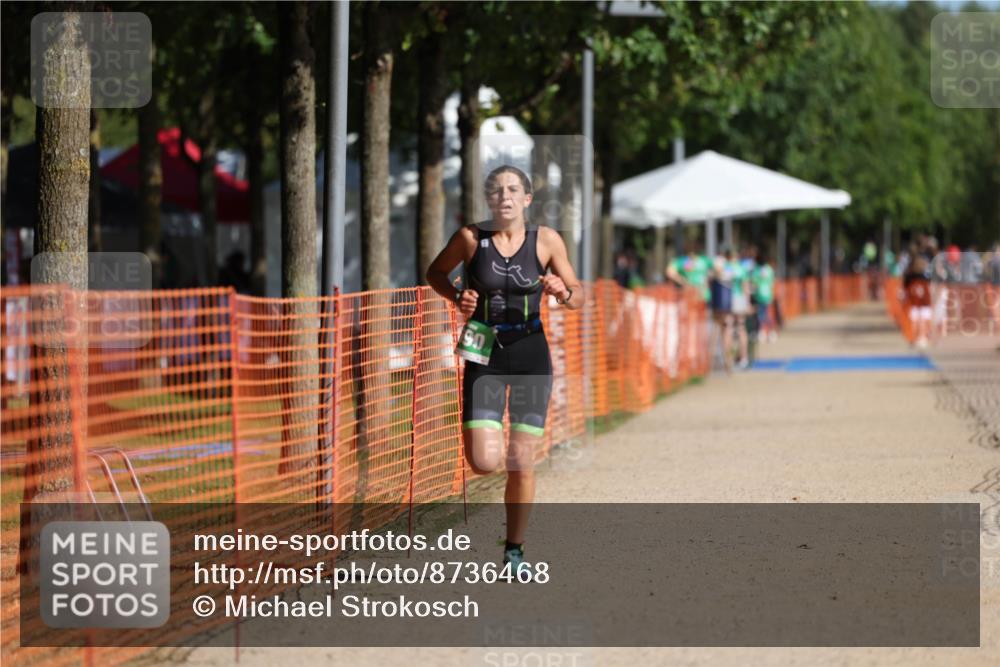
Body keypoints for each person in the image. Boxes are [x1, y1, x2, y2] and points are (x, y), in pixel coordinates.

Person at [425, 165, 582, 571]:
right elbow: (435, 273)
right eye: (497, 191)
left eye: (513, 190)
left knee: (521, 458)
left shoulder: (546, 240)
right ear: (489, 199)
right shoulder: (469, 239)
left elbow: (579, 294)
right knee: (484, 461)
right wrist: (457, 296)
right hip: (483, 344)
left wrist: (563, 292)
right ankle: (506, 525)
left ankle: (514, 551)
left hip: (530, 349)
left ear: (527, 199)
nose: (505, 197)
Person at [903, 255, 932, 348]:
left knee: (922, 320)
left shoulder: (925, 276)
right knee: (917, 320)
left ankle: (921, 337)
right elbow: (906, 288)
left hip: (923, 302)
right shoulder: (911, 276)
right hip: (915, 302)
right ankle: (917, 338)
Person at [752, 253, 777, 343]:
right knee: (766, 314)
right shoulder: (769, 269)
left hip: (760, 295)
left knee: (762, 314)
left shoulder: (757, 270)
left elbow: (754, 282)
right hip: (767, 295)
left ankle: (764, 332)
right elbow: (772, 282)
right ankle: (769, 332)